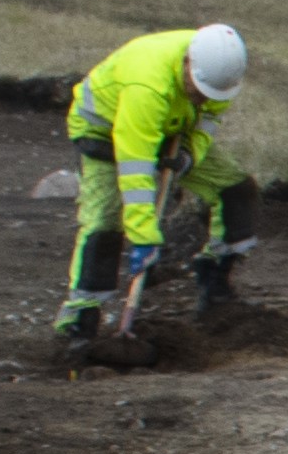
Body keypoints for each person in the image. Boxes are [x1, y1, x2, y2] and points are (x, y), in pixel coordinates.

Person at [58, 18, 253, 358]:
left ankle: (216, 288)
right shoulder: (146, 87)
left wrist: (191, 154)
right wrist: (143, 236)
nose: (200, 97)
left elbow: (208, 120)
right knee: (105, 223)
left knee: (236, 190)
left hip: (168, 127)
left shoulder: (220, 72)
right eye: (196, 88)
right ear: (187, 64)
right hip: (104, 130)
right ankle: (80, 321)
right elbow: (136, 172)